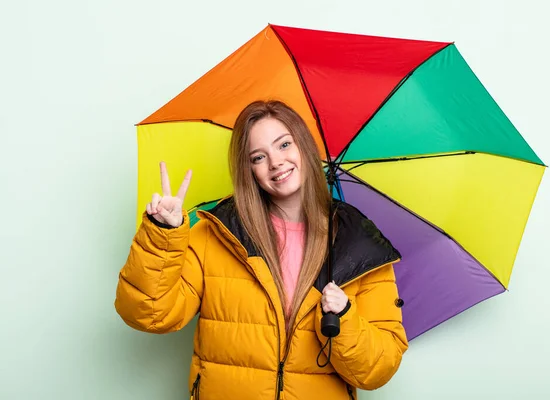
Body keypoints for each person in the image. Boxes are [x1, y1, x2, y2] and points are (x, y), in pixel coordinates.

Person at [115, 100, 408, 399]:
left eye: (284, 145)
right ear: (249, 170)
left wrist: (343, 317)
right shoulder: (216, 235)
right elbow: (150, 314)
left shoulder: (359, 246)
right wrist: (162, 236)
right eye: (258, 157)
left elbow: (378, 369)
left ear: (304, 146)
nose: (275, 162)